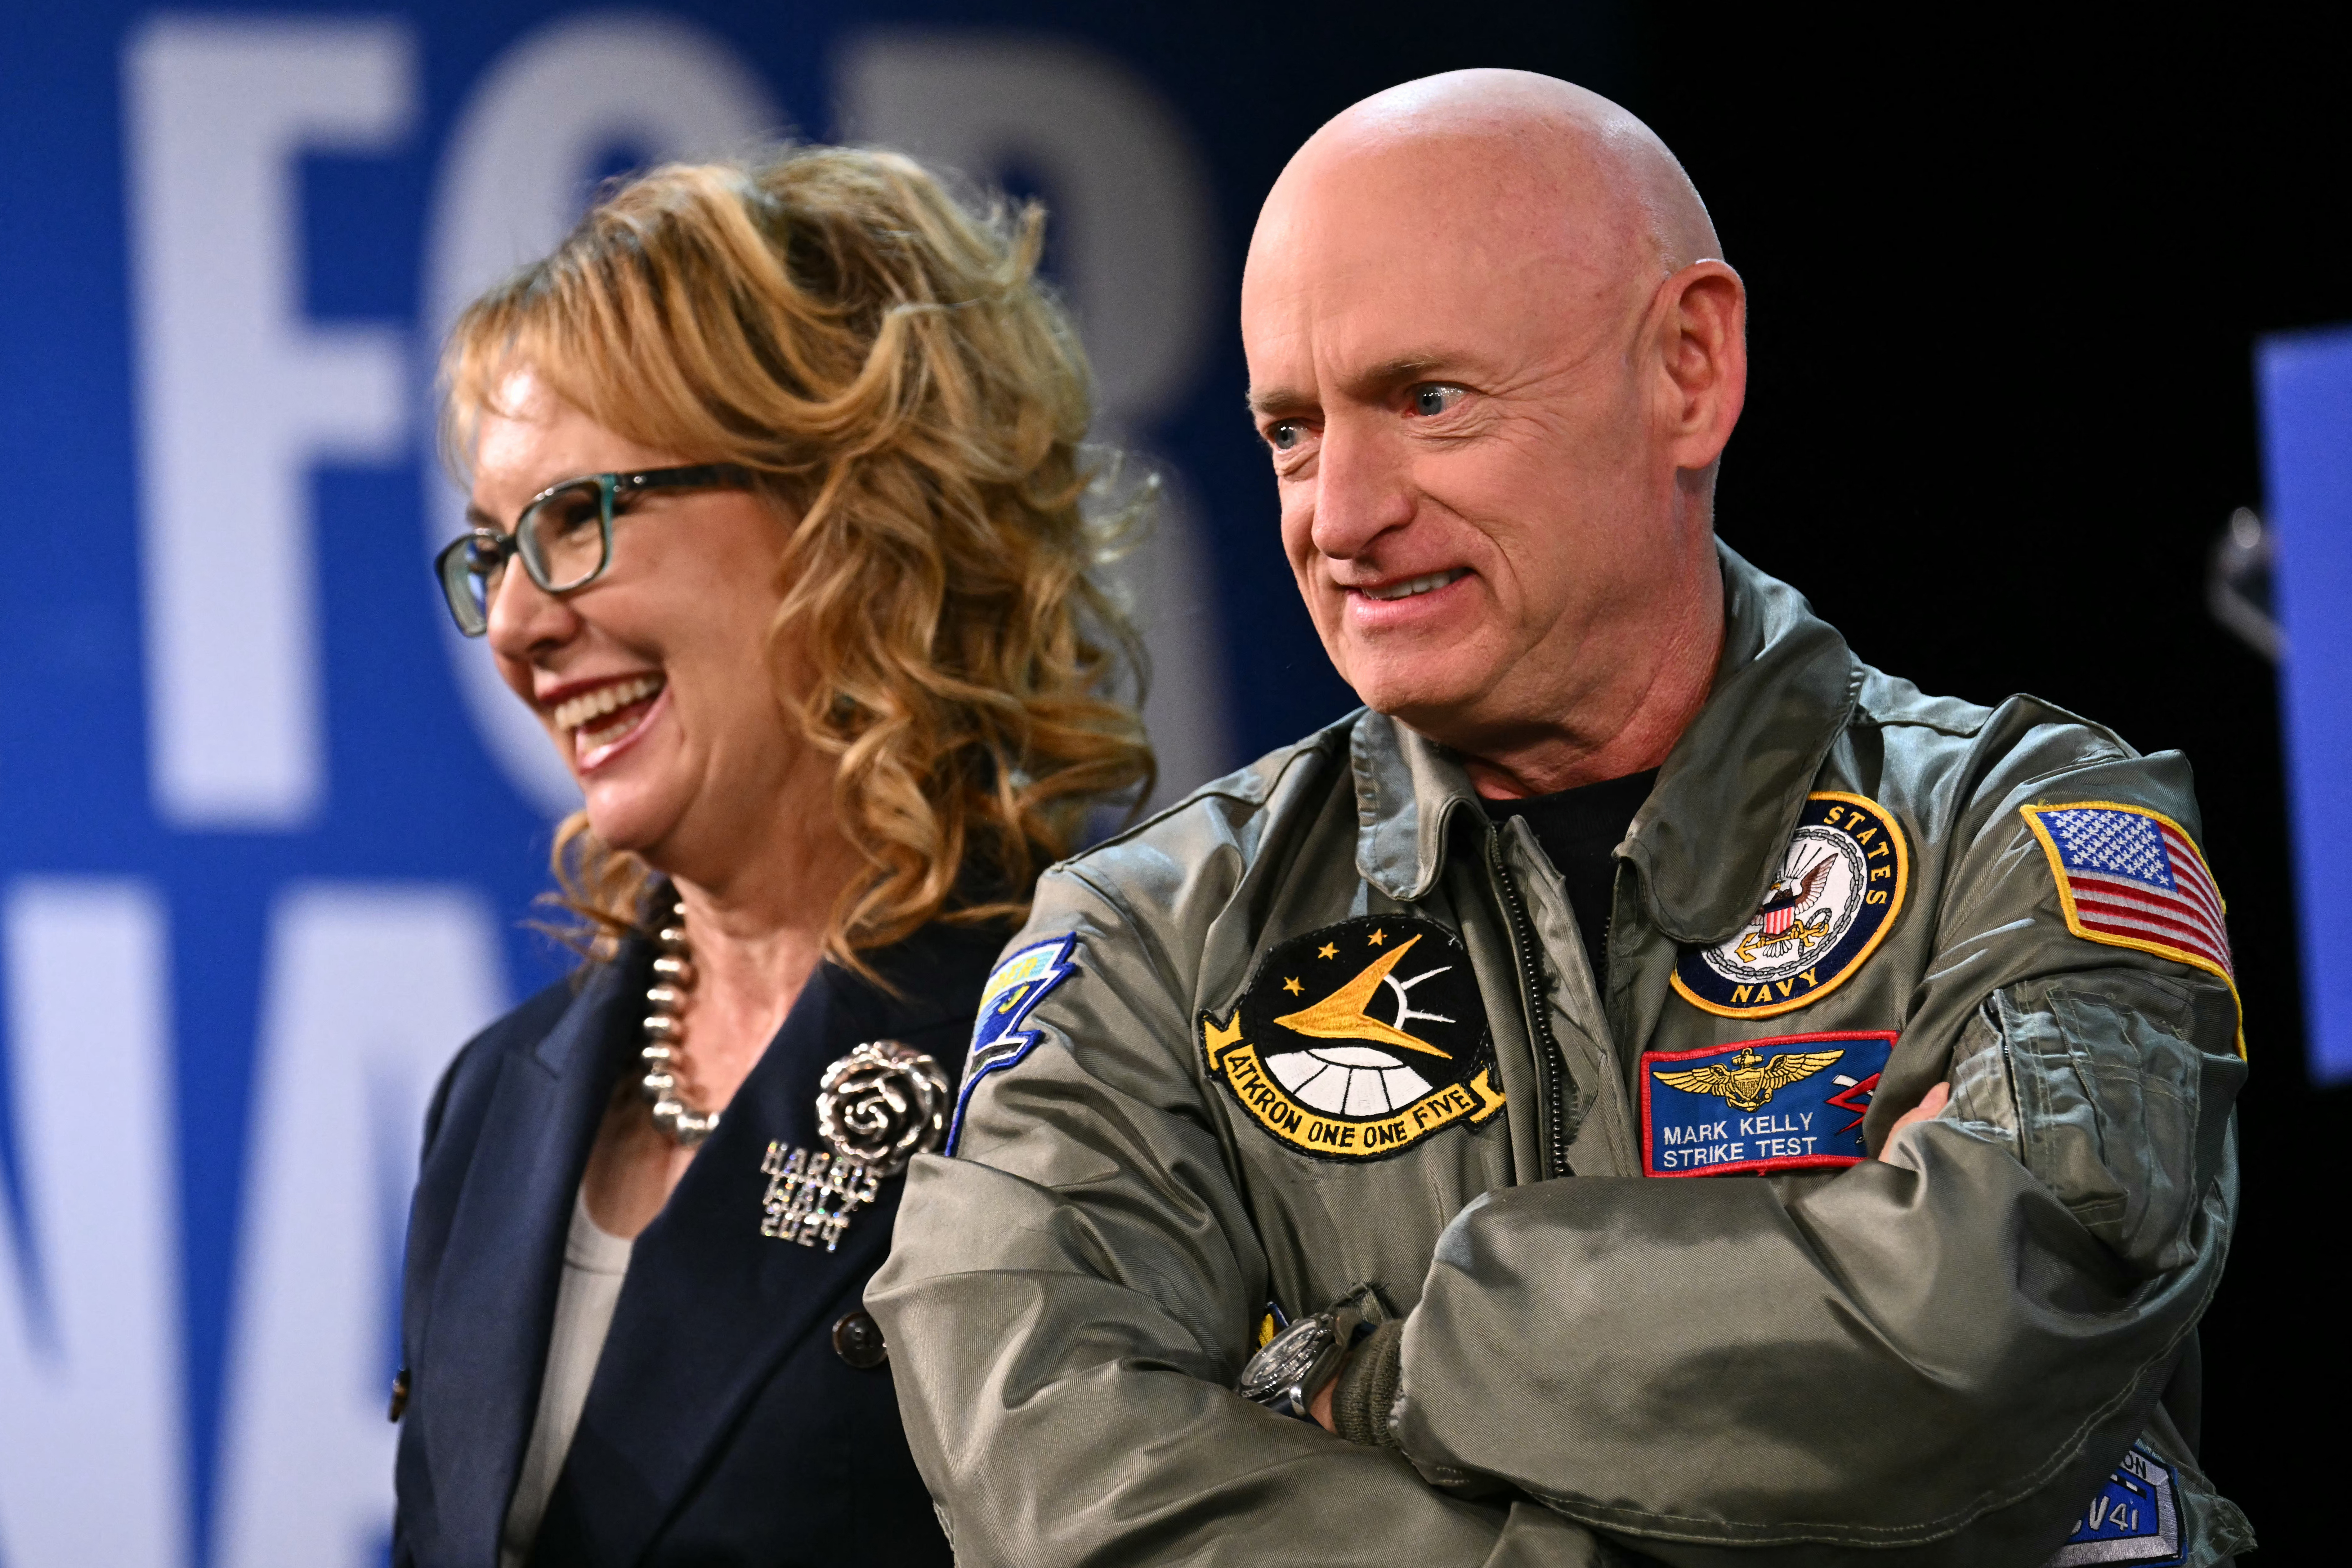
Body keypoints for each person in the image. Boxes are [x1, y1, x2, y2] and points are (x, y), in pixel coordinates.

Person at [870, 70, 2253, 1567]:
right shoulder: (1148, 936)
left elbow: (1989, 1330)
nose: (1340, 515)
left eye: (1429, 401)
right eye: (1290, 432)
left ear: (1688, 367)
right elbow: (1059, 1487)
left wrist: (1375, 1376)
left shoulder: (2024, 818)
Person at [392, 147, 1151, 1568]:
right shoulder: (495, 1097)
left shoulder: (1098, 1038)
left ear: (844, 514)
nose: (512, 627)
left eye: (577, 518)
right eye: (493, 550)